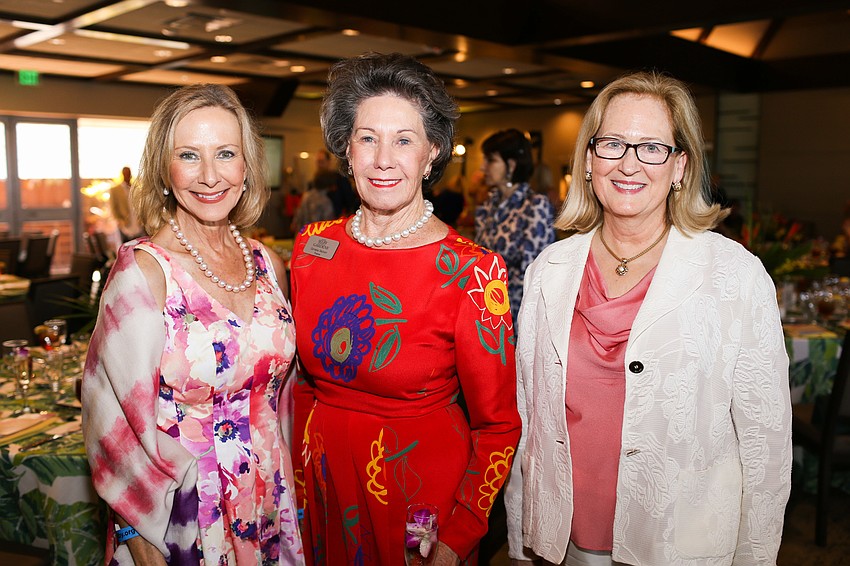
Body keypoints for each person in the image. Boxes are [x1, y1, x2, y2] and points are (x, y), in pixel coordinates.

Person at [505, 71, 792, 566]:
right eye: (612, 144)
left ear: (680, 166)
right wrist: (522, 538)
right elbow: (528, 422)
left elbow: (766, 446)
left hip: (680, 542)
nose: (629, 163)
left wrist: (756, 557)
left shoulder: (734, 277)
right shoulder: (549, 271)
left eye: (651, 148)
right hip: (565, 539)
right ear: (589, 160)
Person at [290, 52, 521, 566]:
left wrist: (461, 532)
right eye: (367, 138)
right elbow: (303, 381)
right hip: (322, 488)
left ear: (431, 153)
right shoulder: (311, 247)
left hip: (418, 501)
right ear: (346, 151)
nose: (383, 159)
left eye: (404, 140)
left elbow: (499, 425)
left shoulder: (473, 272)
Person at [82, 83, 304, 565]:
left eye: (225, 153)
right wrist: (135, 535)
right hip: (180, 514)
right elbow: (110, 421)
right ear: (164, 170)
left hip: (269, 494)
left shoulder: (267, 263)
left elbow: (282, 394)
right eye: (189, 155)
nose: (209, 176)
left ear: (246, 166)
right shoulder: (144, 272)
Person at [475, 129, 555, 322]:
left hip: (517, 312)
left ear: (511, 164)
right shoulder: (487, 206)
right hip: (484, 309)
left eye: (491, 160)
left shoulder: (534, 206)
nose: (483, 167)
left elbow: (533, 274)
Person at [315, 147, 358, 217]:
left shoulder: (340, 179)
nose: (320, 165)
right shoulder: (314, 182)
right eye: (318, 162)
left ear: (328, 162)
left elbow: (349, 200)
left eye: (322, 162)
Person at [110, 166, 144, 242]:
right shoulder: (115, 190)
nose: (127, 175)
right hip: (125, 224)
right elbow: (113, 207)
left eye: (128, 173)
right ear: (122, 174)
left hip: (137, 224)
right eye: (125, 173)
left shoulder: (136, 188)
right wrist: (120, 221)